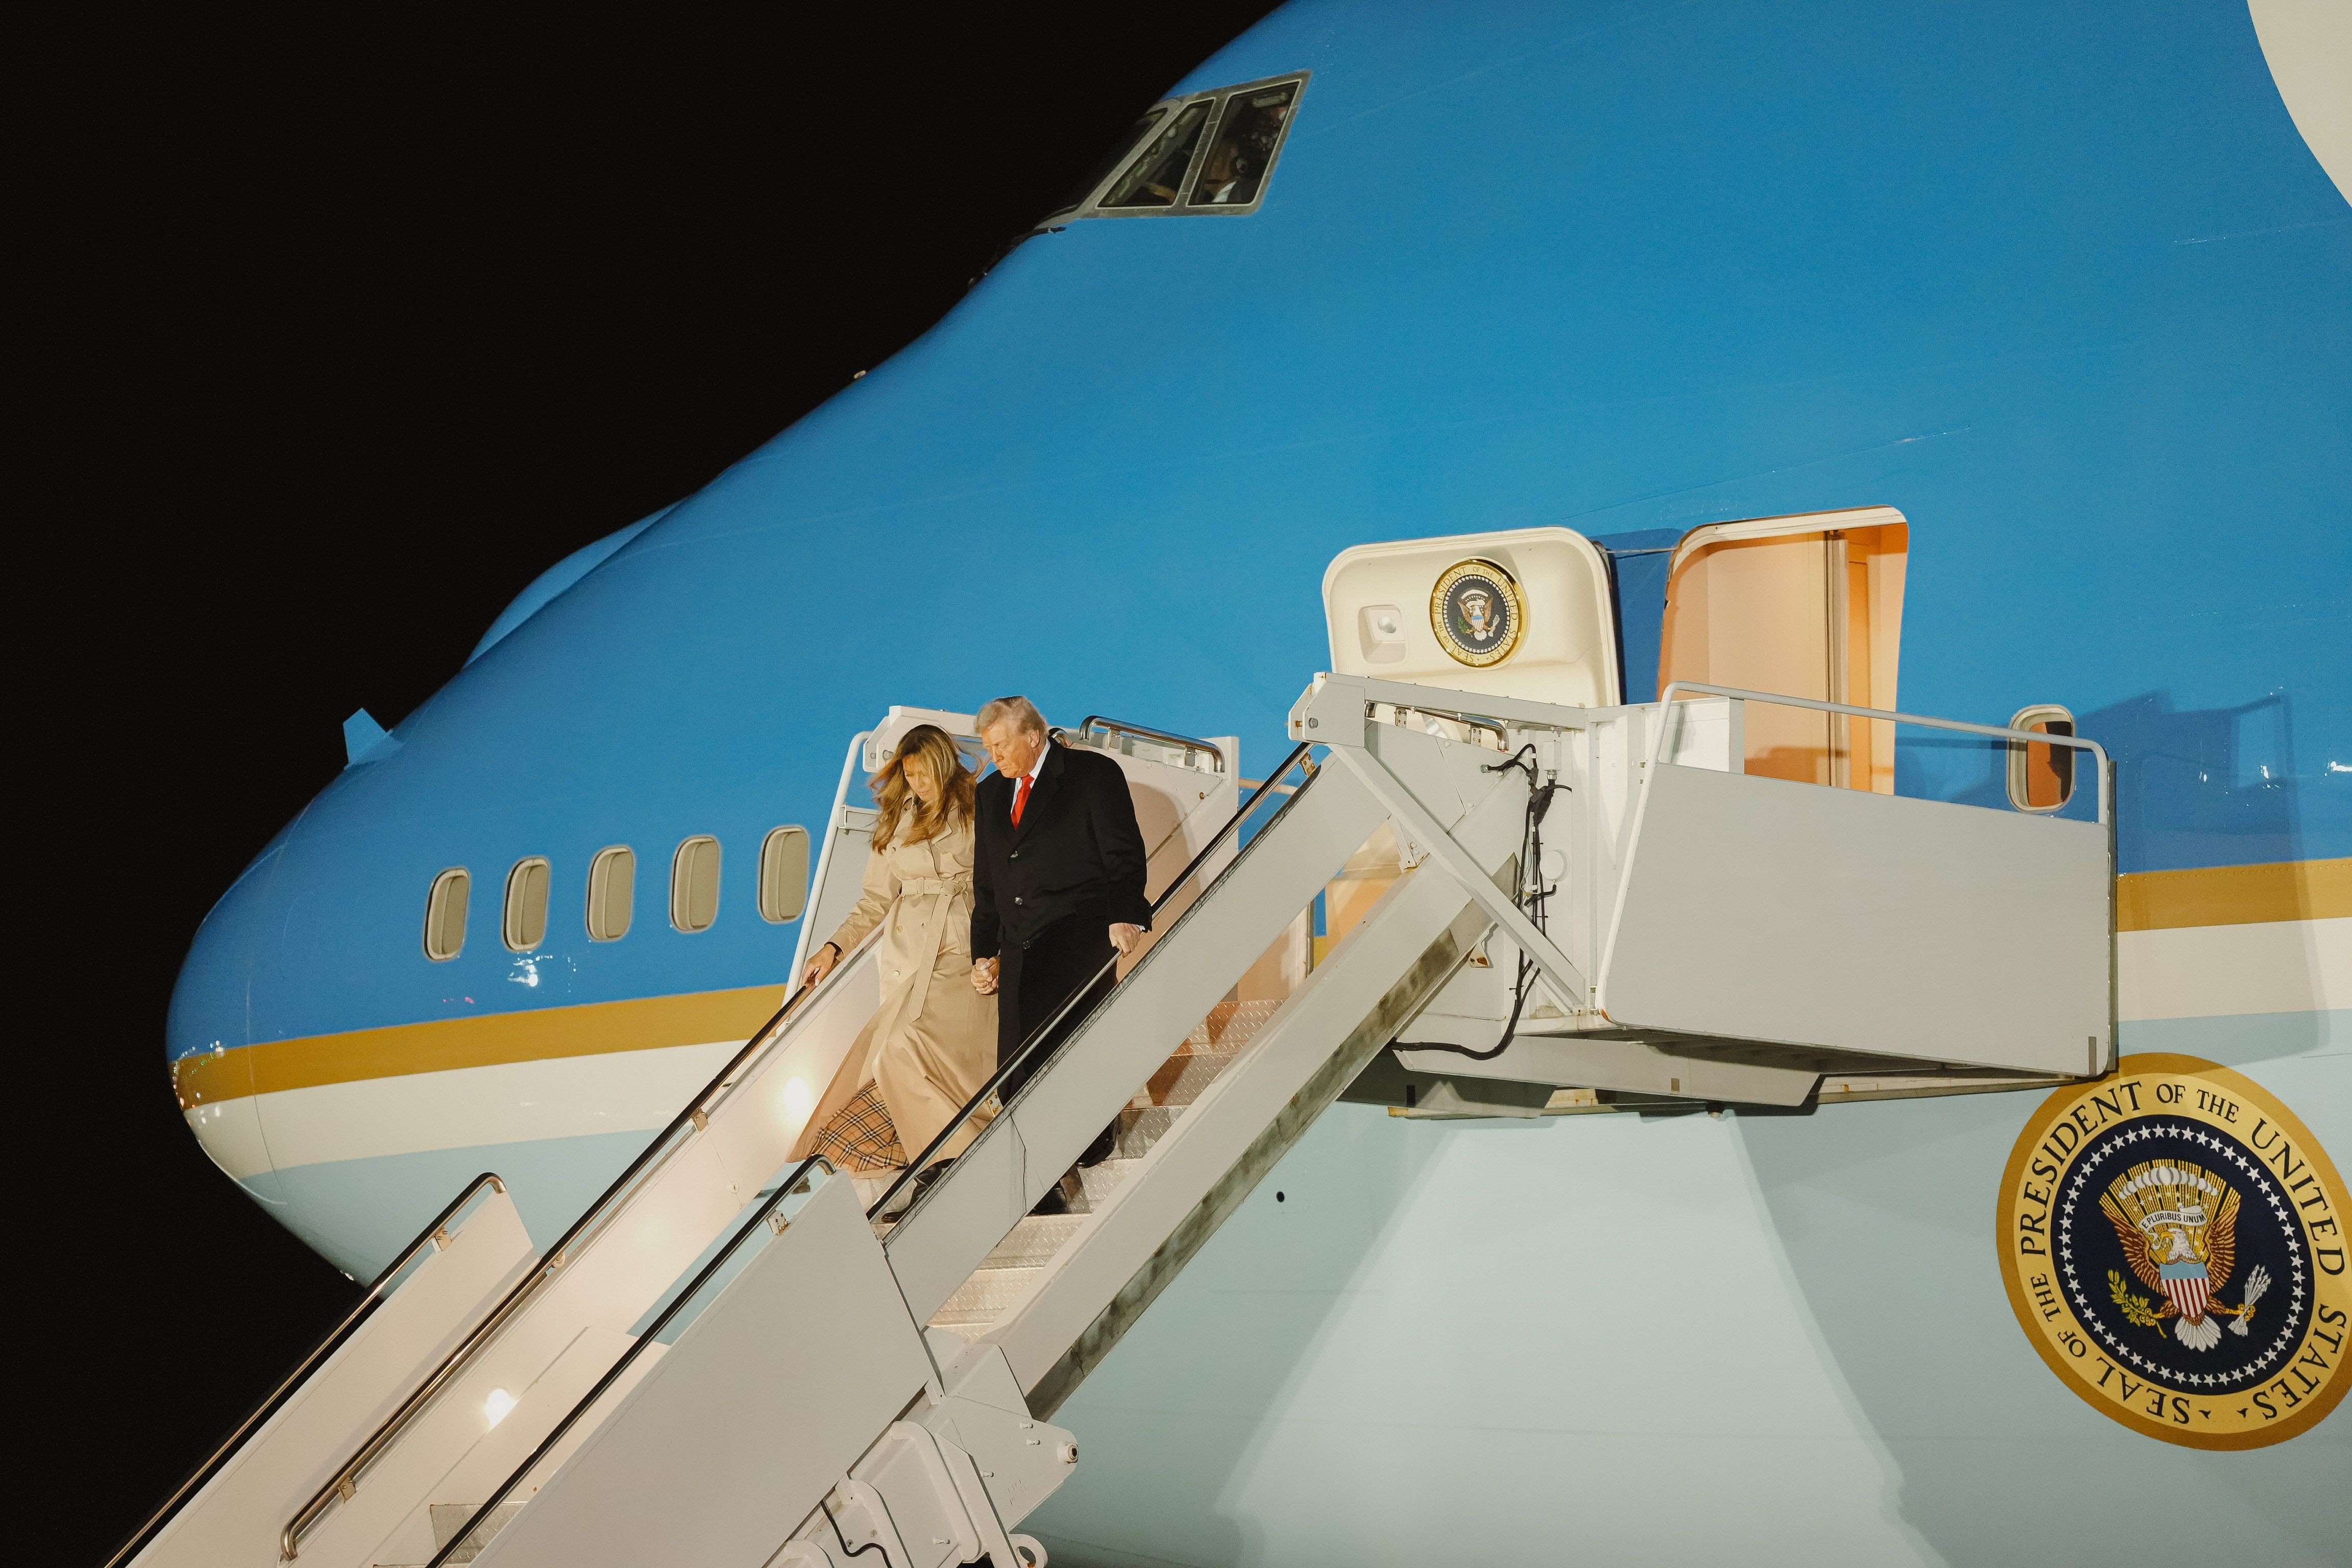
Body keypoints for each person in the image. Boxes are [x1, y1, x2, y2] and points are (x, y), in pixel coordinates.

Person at [792, 725, 996, 1195]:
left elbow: (1004, 877)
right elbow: (874, 900)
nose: (918, 782)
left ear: (944, 765)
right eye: (910, 774)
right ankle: (944, 1154)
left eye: (924, 772)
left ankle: (958, 1150)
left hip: (963, 941)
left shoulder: (977, 805)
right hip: (908, 952)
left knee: (905, 1048)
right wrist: (834, 947)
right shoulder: (896, 817)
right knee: (894, 1055)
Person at [969, 696, 1150, 1210]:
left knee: (1066, 1061)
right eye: (988, 748)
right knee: (1014, 1075)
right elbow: (988, 883)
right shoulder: (989, 795)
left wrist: (1125, 914)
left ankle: (1065, 1163)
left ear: (1032, 737)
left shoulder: (1092, 775)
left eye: (1000, 746)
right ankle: (1048, 1179)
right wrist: (983, 952)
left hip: (1078, 936)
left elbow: (1123, 852)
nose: (994, 756)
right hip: (1019, 945)